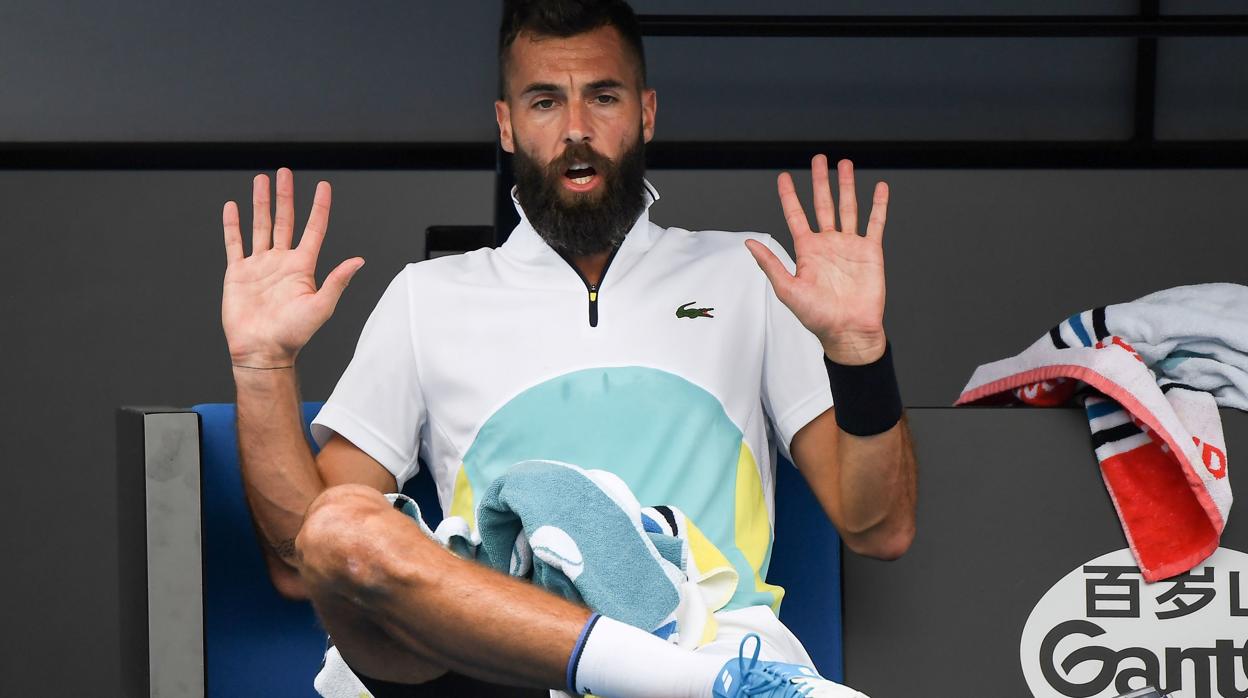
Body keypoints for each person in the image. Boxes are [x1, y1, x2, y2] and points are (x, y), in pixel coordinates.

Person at [219, 1, 916, 696]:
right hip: (500, 657)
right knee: (339, 527)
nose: (576, 131)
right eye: (545, 101)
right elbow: (301, 560)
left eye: (603, 97)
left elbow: (878, 527)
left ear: (645, 113)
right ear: (507, 125)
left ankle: (665, 669)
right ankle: (652, 676)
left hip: (709, 638)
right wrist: (262, 364)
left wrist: (858, 349)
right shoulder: (426, 296)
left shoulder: (747, 273)